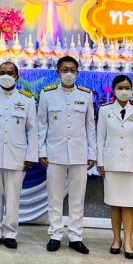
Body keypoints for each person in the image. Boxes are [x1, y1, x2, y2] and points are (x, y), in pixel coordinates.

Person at [38, 55, 96, 254]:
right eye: (65, 70)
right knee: (54, 197)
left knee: (77, 198)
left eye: (72, 70)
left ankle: (75, 237)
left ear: (78, 72)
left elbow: (90, 126)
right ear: (58, 72)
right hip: (54, 152)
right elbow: (42, 125)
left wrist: (92, 152)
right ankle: (55, 235)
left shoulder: (86, 95)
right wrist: (41, 150)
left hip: (79, 153)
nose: (69, 73)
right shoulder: (47, 94)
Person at [0, 61, 37, 249]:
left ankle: (10, 232)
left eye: (10, 73)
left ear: (17, 77)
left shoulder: (27, 99)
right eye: (2, 72)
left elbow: (33, 130)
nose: (6, 76)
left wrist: (30, 156)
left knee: (13, 197)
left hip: (17, 155)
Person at [97, 75, 133, 259]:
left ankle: (128, 242)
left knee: (128, 205)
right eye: (120, 87)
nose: (124, 91)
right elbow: (100, 138)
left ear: (131, 90)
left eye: (127, 88)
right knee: (115, 204)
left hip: (131, 164)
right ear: (114, 90)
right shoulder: (105, 110)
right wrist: (100, 162)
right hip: (111, 163)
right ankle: (116, 240)